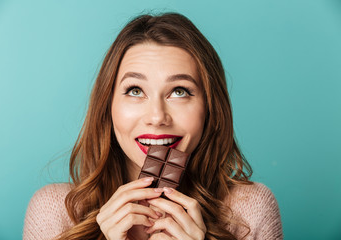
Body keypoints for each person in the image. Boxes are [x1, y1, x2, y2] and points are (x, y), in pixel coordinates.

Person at [23, 13, 283, 240]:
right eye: (135, 90)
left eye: (179, 91)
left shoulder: (249, 211)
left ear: (210, 108)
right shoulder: (54, 211)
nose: (157, 117)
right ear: (108, 106)